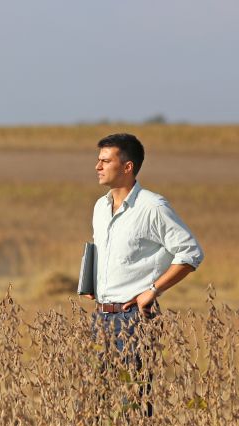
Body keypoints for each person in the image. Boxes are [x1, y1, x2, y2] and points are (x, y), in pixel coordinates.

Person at [85, 132, 204, 410]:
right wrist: (92, 282)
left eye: (105, 161)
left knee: (134, 405)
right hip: (100, 317)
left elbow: (191, 252)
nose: (97, 167)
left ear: (127, 167)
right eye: (98, 160)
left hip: (134, 319)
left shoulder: (153, 206)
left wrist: (153, 291)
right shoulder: (100, 207)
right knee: (90, 406)